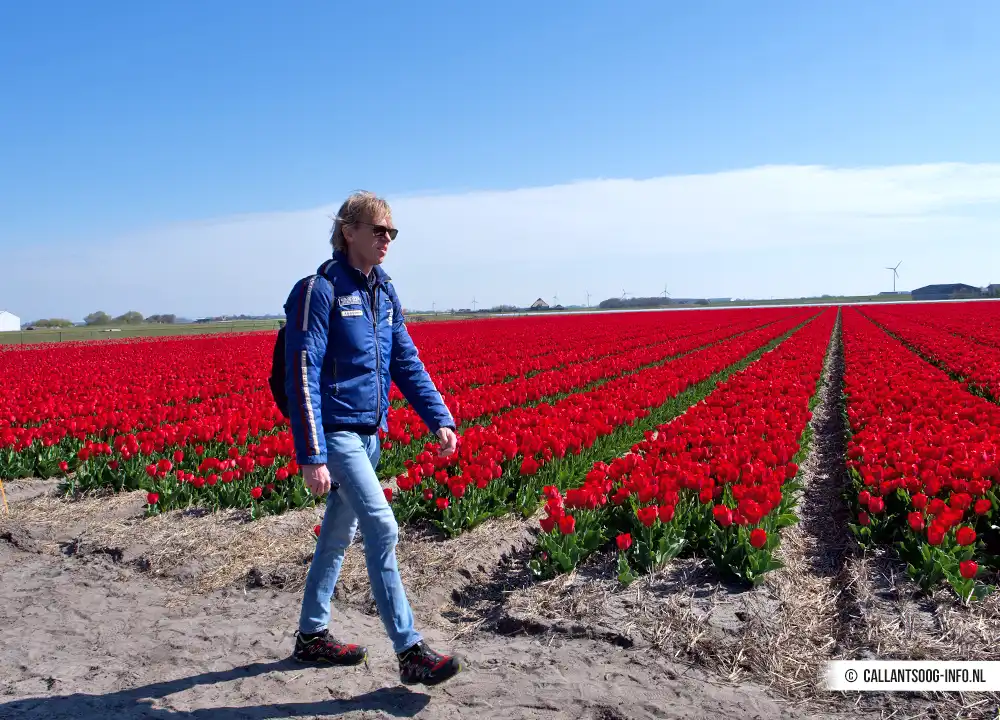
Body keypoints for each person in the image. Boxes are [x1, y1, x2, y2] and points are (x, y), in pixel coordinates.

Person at [283, 190, 463, 686]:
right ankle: (410, 651)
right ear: (349, 231)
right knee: (382, 527)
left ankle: (311, 636)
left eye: (392, 232)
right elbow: (302, 371)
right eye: (378, 230)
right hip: (338, 435)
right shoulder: (319, 291)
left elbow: (405, 360)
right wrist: (313, 454)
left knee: (339, 534)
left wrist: (439, 418)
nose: (387, 239)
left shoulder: (382, 291)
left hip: (370, 435)